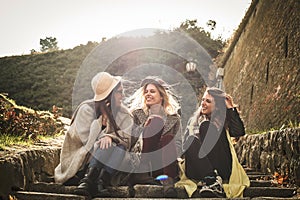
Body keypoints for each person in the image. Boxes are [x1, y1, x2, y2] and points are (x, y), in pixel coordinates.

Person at [54, 72, 140, 197]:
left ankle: (96, 181)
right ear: (110, 95)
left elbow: (126, 138)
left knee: (118, 147)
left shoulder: (123, 113)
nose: (122, 95)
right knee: (106, 145)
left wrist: (110, 137)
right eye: (119, 92)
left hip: (112, 158)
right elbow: (82, 140)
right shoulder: (86, 109)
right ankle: (90, 179)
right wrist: (101, 126)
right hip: (83, 159)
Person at [176, 87, 250, 198]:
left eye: (208, 101)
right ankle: (211, 179)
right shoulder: (197, 121)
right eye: (203, 100)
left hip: (222, 167)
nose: (203, 104)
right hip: (200, 169)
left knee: (206, 126)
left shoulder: (223, 121)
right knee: (191, 139)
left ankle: (213, 179)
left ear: (217, 107)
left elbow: (239, 132)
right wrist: (195, 121)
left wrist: (230, 108)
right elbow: (186, 148)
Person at [128, 76, 183, 197]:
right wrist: (145, 127)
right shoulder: (136, 114)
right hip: (142, 160)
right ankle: (142, 172)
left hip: (164, 164)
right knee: (155, 121)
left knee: (168, 138)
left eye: (152, 91)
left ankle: (168, 182)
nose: (148, 94)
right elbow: (130, 140)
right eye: (146, 92)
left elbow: (178, 144)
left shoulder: (174, 118)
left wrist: (169, 153)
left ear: (161, 95)